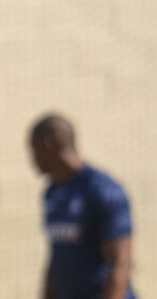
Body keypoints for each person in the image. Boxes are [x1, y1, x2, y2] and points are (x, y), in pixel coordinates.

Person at [29, 114, 134, 299]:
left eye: (33, 149)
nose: (32, 159)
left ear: (48, 144)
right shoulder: (52, 192)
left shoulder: (102, 190)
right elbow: (57, 258)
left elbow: (121, 263)